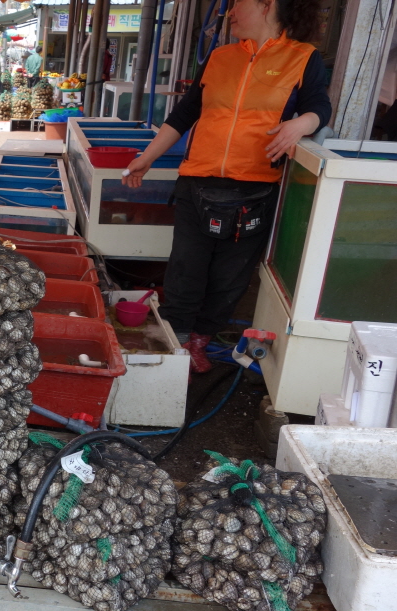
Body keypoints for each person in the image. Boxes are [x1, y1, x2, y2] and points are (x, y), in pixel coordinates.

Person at [122, 0, 330, 373]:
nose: (229, 12)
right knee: (185, 271)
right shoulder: (220, 57)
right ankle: (175, 347)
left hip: (255, 190)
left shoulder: (302, 57)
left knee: (229, 279)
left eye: (237, 4)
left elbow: (319, 107)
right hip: (197, 183)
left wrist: (303, 123)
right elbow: (185, 114)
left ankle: (200, 340)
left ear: (267, 5)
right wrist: (146, 157)